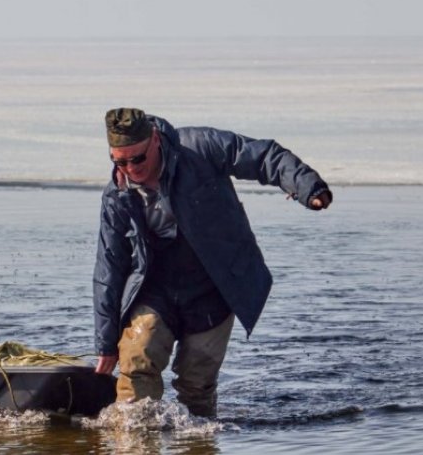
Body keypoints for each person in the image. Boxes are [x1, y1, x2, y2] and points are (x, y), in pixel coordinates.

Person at [93, 108, 332, 417]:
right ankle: (135, 454)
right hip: (155, 287)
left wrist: (307, 187)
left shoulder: (200, 147)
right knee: (137, 362)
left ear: (154, 139)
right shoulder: (117, 195)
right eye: (119, 161)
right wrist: (105, 343)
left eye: (137, 159)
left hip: (214, 283)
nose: (130, 169)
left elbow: (264, 156)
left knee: (197, 385)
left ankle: (198, 453)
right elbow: (108, 270)